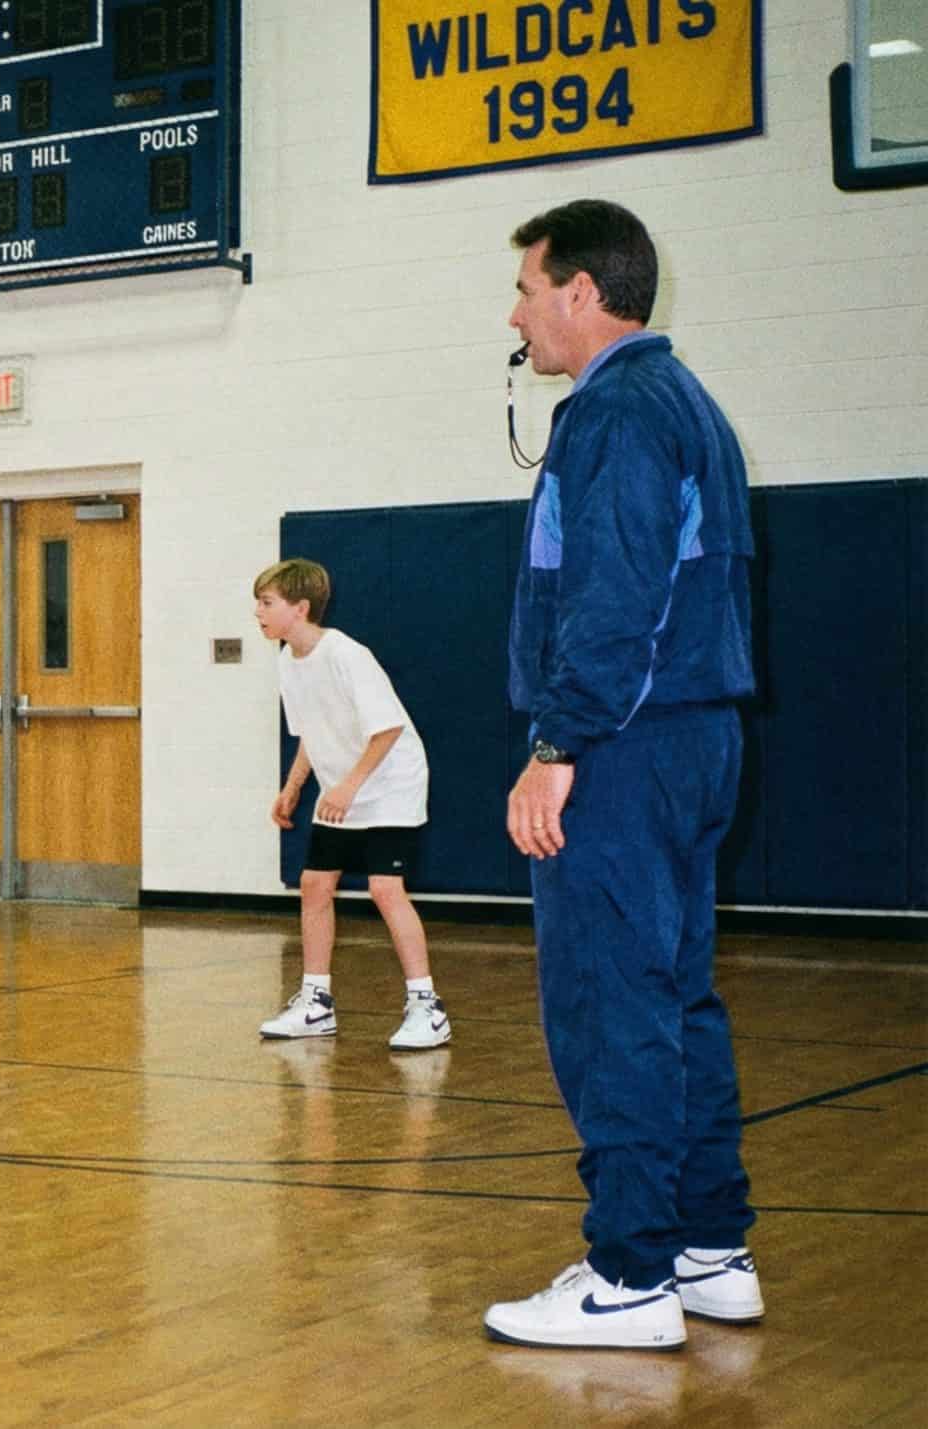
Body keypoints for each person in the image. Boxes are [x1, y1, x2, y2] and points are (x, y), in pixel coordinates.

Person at [482, 199, 763, 1350]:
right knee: (673, 994)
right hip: (690, 739)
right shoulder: (686, 401)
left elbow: (616, 598)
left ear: (581, 292)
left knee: (610, 1003)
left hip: (624, 746)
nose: (515, 316)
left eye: (525, 290)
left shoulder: (615, 411)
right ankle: (708, 1249)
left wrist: (558, 746)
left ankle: (629, 1273)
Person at [253, 557, 447, 1050]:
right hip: (345, 786)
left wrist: (348, 787)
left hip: (390, 785)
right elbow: (310, 733)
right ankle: (316, 1004)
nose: (258, 611)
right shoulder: (287, 660)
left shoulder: (346, 654)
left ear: (300, 608)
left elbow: (388, 728)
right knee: (314, 884)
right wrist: (293, 787)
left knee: (385, 888)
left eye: (267, 602)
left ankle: (427, 1007)